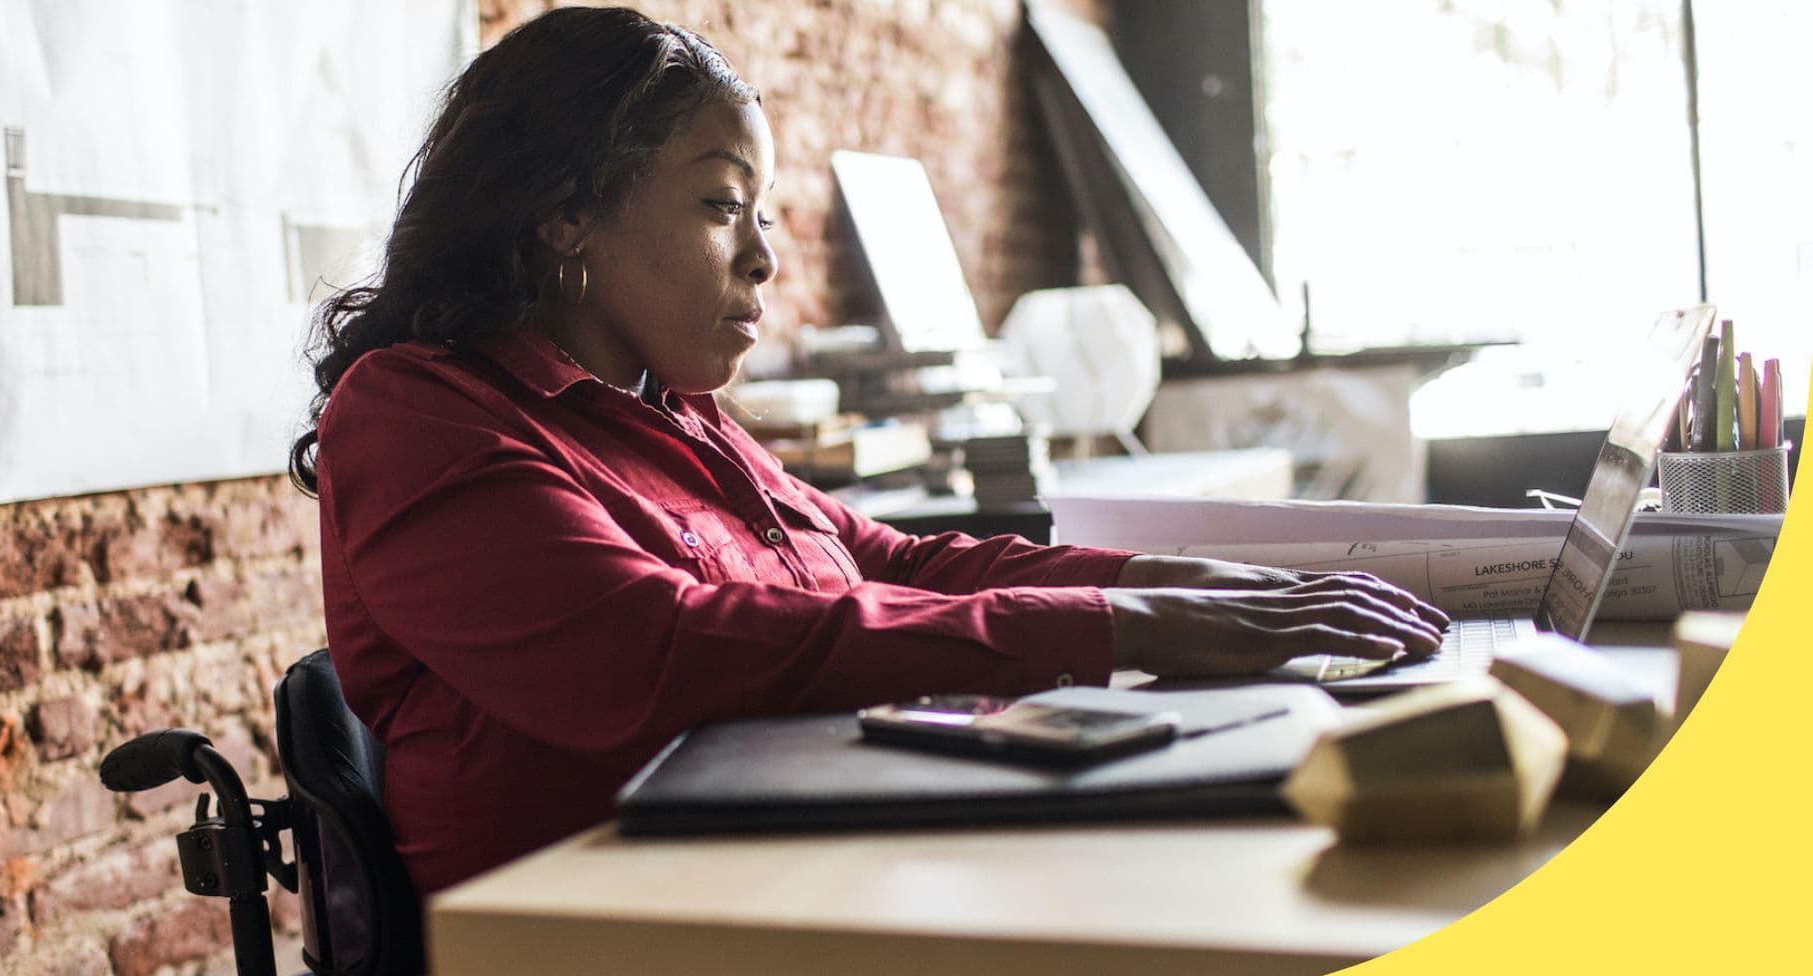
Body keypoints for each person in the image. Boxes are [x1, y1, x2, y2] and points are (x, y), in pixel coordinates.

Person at [291, 6, 1447, 896]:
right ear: (564, 214)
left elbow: (895, 563)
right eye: (717, 205)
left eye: (765, 213)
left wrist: (1171, 585)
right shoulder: (415, 416)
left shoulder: (670, 412)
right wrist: (1119, 628)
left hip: (786, 885)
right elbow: (654, 651)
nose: (763, 260)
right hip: (600, 940)